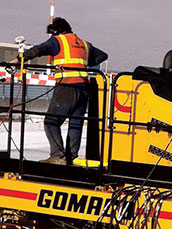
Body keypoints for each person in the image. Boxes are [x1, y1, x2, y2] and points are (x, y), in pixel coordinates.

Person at [11, 17, 108, 164]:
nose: (51, 37)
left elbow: (38, 50)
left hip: (67, 86)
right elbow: (103, 55)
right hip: (83, 87)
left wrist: (18, 60)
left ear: (57, 31)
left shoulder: (59, 40)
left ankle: (57, 156)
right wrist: (84, 64)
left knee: (51, 122)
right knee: (76, 123)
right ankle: (71, 157)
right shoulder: (84, 44)